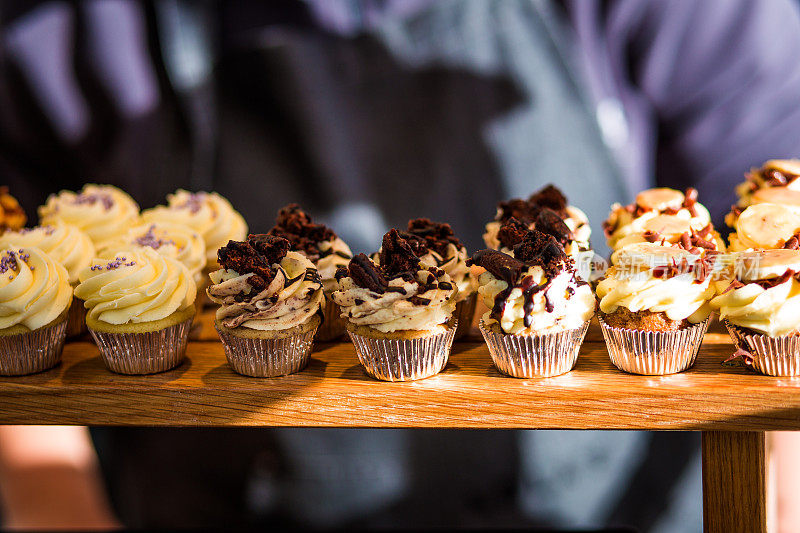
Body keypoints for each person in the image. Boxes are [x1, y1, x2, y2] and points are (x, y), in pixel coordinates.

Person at [2, 0, 800, 529]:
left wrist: (775, 478)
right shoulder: (67, 24)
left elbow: (776, 227)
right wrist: (47, 495)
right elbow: (21, 291)